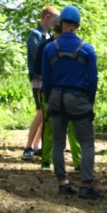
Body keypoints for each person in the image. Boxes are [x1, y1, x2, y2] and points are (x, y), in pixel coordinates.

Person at [42, 5, 99, 199]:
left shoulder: (50, 48)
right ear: (77, 25)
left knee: (58, 142)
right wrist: (89, 102)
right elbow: (92, 80)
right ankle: (85, 185)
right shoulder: (87, 50)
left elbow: (46, 79)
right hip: (77, 98)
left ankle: (62, 183)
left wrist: (49, 99)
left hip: (56, 96)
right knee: (87, 143)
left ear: (61, 24)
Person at [34, 19, 82, 172]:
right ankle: (46, 161)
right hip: (50, 92)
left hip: (70, 92)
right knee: (50, 127)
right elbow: (38, 71)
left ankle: (78, 162)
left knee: (73, 128)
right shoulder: (46, 47)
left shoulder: (75, 46)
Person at [23, 6, 59, 160]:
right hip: (38, 79)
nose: (57, 22)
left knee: (46, 113)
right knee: (40, 112)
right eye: (55, 18)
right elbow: (38, 56)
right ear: (47, 17)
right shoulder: (35, 35)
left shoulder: (49, 35)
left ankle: (37, 145)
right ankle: (28, 147)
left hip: (48, 79)